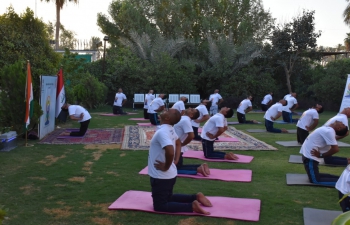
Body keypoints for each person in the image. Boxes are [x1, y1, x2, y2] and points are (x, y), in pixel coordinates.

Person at [148, 108, 212, 214]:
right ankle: (195, 197)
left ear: (167, 118)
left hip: (161, 175)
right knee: (168, 197)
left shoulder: (162, 132)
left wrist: (166, 166)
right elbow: (178, 143)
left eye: (167, 111)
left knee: (160, 205)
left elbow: (170, 151)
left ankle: (191, 206)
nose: (165, 110)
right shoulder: (170, 129)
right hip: (169, 175)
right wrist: (176, 160)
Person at [299, 121, 348, 187]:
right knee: (317, 176)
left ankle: (344, 184)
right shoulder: (328, 129)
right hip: (308, 156)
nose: (340, 122)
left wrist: (321, 155)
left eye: (342, 124)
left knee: (315, 180)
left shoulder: (329, 131)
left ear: (338, 128)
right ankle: (342, 179)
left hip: (310, 157)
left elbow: (335, 149)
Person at [174, 108, 210, 176]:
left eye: (192, 110)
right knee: (178, 166)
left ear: (191, 115)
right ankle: (199, 166)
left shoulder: (185, 120)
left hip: (176, 147)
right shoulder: (184, 119)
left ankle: (197, 169)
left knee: (174, 169)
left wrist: (182, 144)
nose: (190, 108)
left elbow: (191, 135)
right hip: (176, 146)